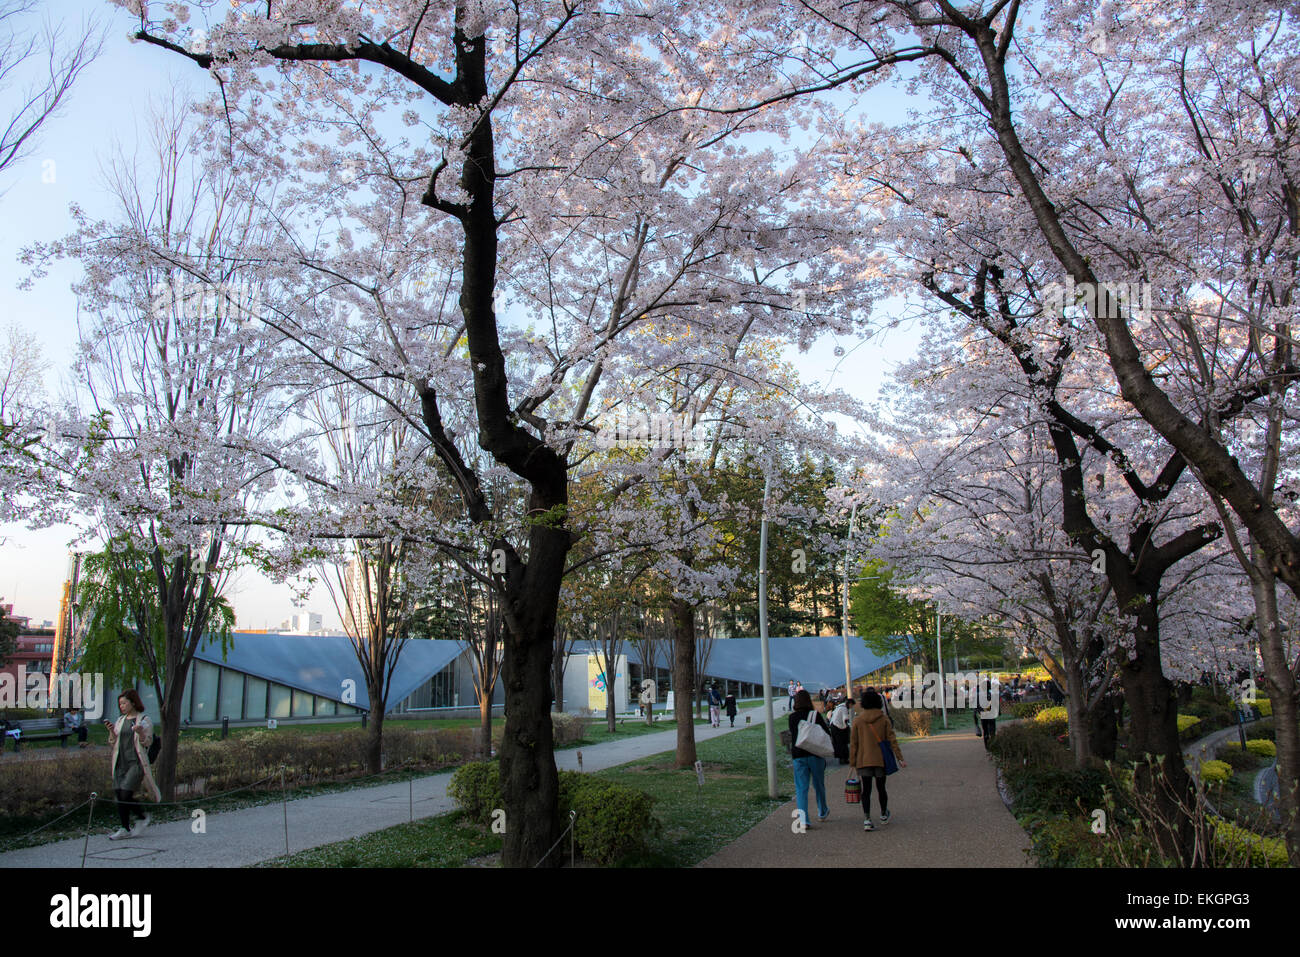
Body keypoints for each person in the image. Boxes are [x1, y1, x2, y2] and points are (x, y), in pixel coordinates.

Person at [105, 690, 160, 840]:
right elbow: (113, 742)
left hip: (136, 762)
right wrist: (111, 731)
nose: (121, 706)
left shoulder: (144, 720)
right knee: (119, 795)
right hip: (120, 762)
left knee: (125, 793)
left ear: (133, 702)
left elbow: (147, 742)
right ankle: (125, 828)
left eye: (124, 703)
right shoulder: (120, 720)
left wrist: (140, 732)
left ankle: (141, 817)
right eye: (120, 704)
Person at [849, 689, 906, 831]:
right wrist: (900, 758)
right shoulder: (884, 719)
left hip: (863, 760)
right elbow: (892, 740)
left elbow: (854, 743)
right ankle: (883, 814)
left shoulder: (857, 720)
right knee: (881, 788)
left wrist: (852, 762)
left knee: (866, 791)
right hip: (880, 760)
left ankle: (867, 819)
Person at [788, 689, 832, 827]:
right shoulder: (816, 715)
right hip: (815, 754)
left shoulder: (792, 717)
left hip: (798, 755)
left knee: (801, 788)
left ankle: (803, 820)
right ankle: (823, 810)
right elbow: (825, 732)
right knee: (819, 785)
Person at [978, 674, 1000, 751]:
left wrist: (979, 712)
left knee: (985, 731)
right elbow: (996, 704)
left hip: (983, 715)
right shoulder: (992, 694)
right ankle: (993, 743)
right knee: (992, 730)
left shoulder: (979, 695)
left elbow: (977, 707)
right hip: (991, 715)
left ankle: (987, 746)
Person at [829, 696, 853, 764]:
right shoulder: (844, 708)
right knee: (843, 744)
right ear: (849, 703)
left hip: (833, 726)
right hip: (838, 727)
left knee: (838, 744)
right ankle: (844, 759)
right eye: (851, 705)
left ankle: (841, 759)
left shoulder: (839, 706)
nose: (851, 707)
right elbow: (845, 719)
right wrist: (849, 726)